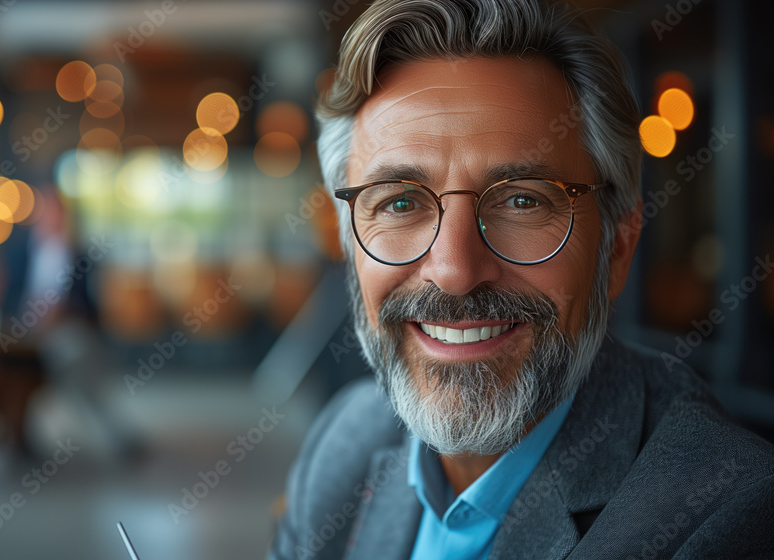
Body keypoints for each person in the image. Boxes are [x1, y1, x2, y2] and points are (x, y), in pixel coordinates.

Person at [267, 1, 774, 558]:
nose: (455, 272)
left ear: (618, 249)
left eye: (523, 200)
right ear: (348, 243)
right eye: (401, 202)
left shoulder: (729, 516)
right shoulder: (343, 443)